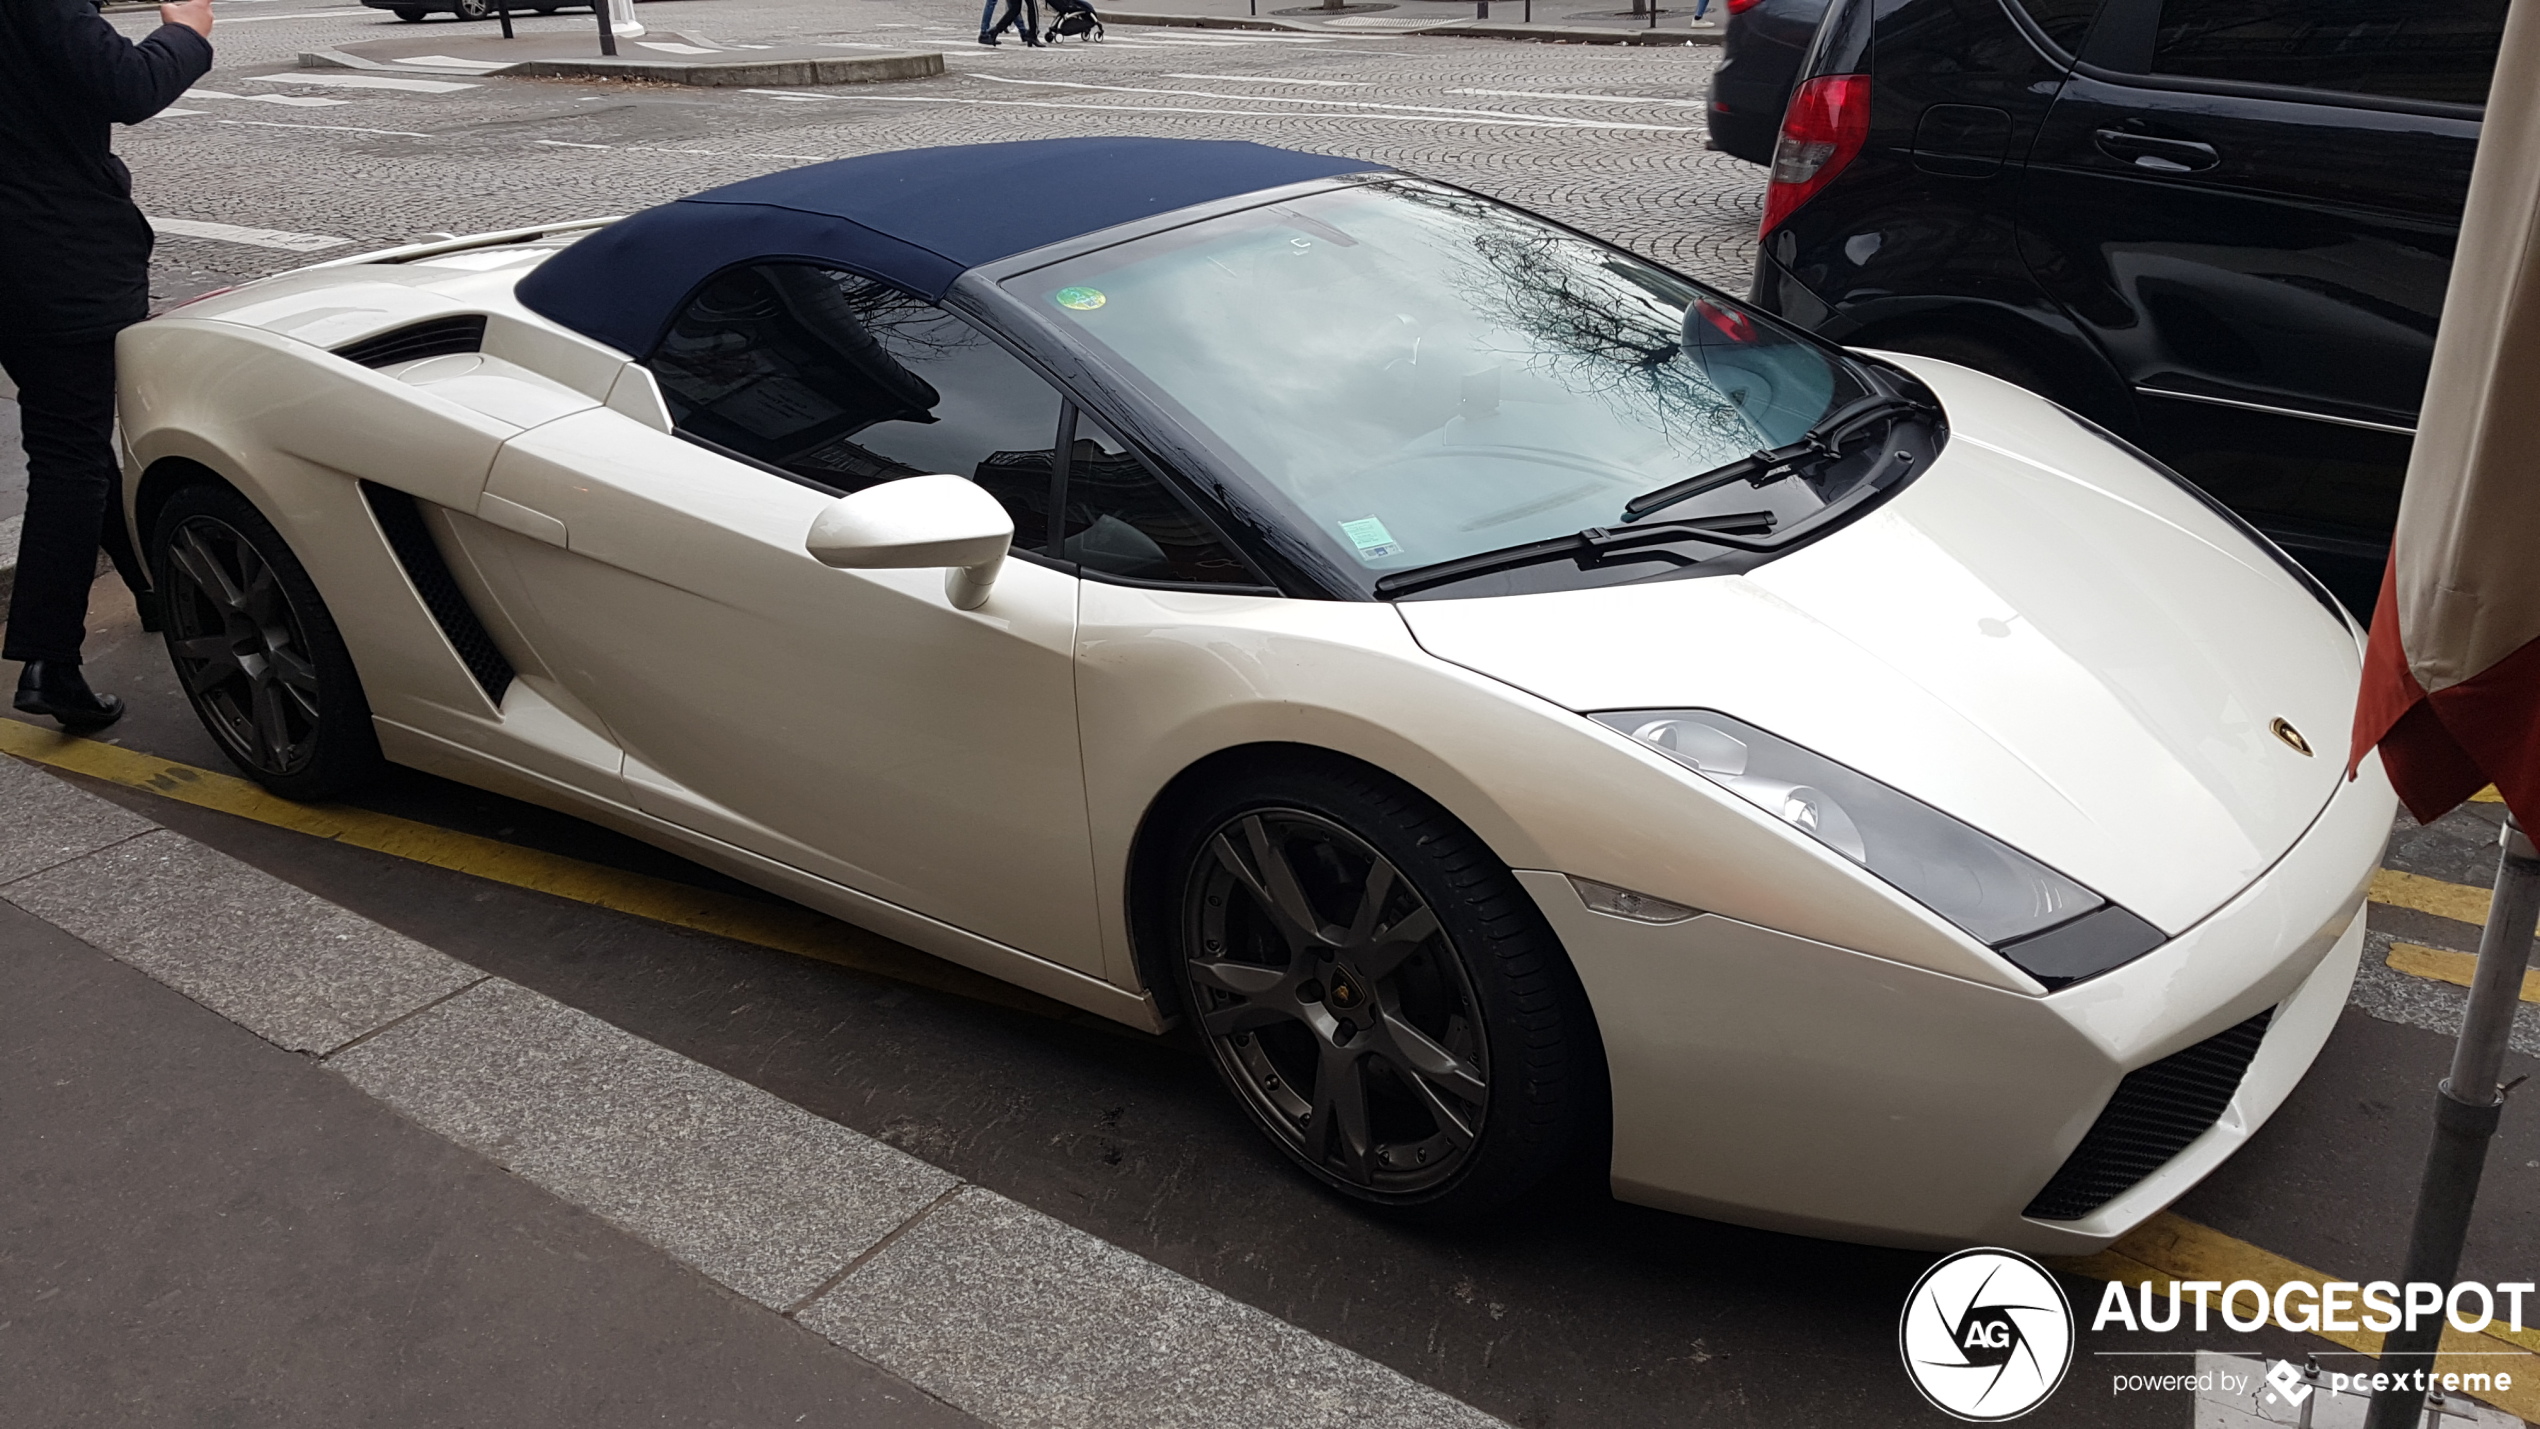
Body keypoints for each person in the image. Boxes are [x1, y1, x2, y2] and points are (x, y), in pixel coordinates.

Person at [0, 0, 213, 730]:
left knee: (76, 432)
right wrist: (185, 31)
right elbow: (124, 85)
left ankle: (151, 587)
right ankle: (50, 660)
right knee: (70, 451)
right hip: (50, 250)